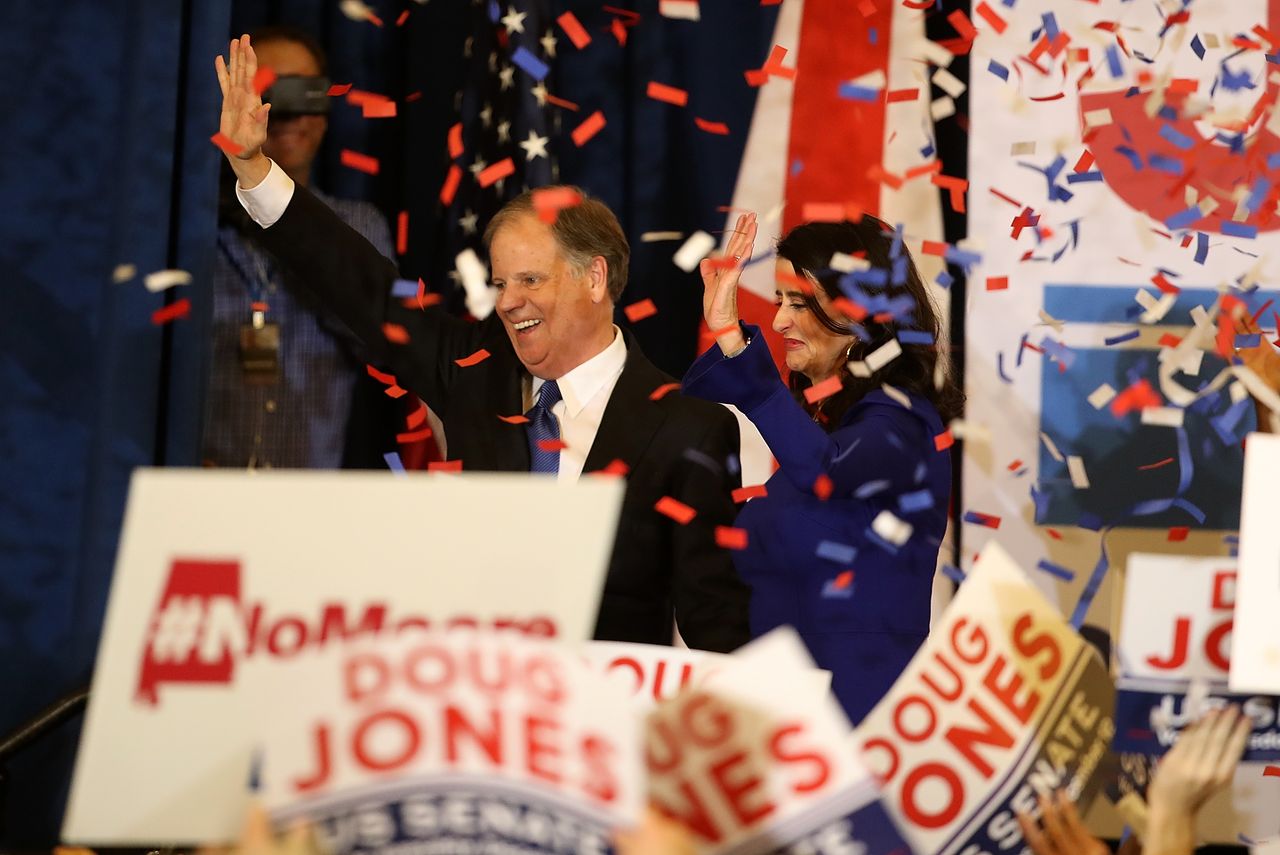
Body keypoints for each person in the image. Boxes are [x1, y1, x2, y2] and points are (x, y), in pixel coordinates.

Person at [213, 35, 750, 651]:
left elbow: (716, 626)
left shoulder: (687, 428)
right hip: (472, 716)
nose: (508, 302)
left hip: (598, 725)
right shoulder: (471, 369)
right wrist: (254, 170)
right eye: (498, 282)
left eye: (529, 280)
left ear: (594, 277)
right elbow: (357, 283)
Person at [682, 212, 963, 723]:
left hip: (859, 728)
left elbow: (827, 470)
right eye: (780, 302)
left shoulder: (902, 424)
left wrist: (734, 341)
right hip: (786, 718)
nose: (780, 321)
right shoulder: (830, 423)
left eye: (799, 303)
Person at [204, 26, 397, 470]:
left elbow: (383, 341)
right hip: (202, 489)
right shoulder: (194, 228)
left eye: (302, 92)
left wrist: (293, 229)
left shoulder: (359, 225)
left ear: (325, 108)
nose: (286, 113)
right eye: (268, 94)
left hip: (311, 497)